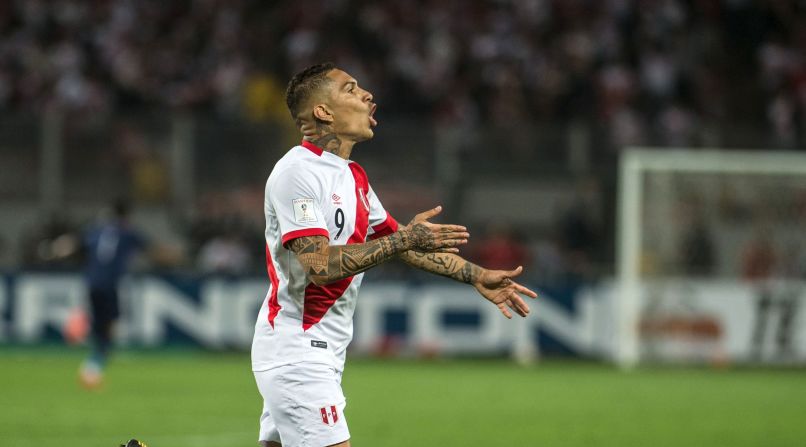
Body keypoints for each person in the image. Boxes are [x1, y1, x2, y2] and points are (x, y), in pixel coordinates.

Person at [251, 62, 538, 447]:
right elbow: (319, 265)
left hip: (323, 351)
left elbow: (402, 243)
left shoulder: (352, 176)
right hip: (298, 350)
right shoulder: (296, 173)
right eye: (351, 89)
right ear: (323, 112)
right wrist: (404, 241)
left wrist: (477, 275)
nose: (367, 95)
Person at [79, 199, 147, 389]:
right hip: (109, 285)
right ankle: (94, 366)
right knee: (110, 326)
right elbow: (149, 247)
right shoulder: (127, 232)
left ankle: (95, 360)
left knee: (102, 324)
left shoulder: (97, 230)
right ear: (127, 216)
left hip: (92, 283)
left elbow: (79, 245)